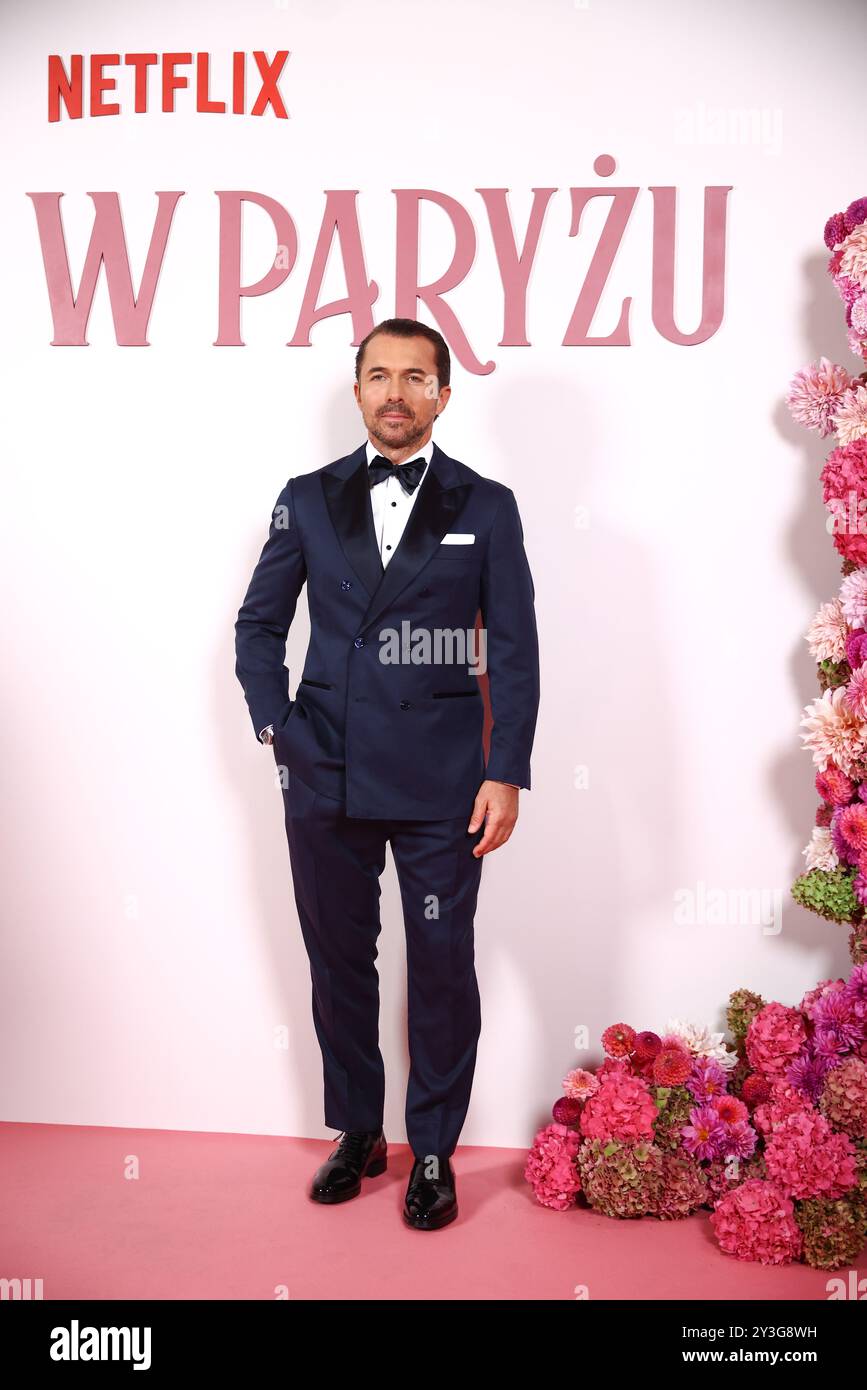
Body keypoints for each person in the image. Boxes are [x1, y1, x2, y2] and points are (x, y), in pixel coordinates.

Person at [234, 317, 540, 1229]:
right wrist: (276, 727)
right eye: (379, 375)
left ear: (443, 394)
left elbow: (514, 652)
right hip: (322, 769)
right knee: (339, 962)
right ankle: (359, 1130)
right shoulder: (304, 497)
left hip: (446, 781)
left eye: (416, 376)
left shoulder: (486, 505)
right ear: (357, 388)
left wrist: (506, 771)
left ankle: (434, 1148)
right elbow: (257, 626)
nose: (396, 392)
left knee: (442, 962)